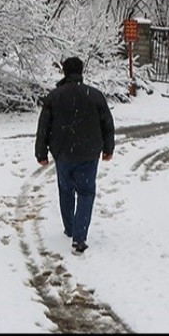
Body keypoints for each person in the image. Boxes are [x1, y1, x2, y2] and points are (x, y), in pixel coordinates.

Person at [34, 56, 115, 254]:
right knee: (86, 193)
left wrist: (41, 152)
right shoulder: (94, 95)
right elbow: (107, 124)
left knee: (66, 190)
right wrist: (108, 148)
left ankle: (70, 227)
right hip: (89, 153)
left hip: (63, 153)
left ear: (64, 71)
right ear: (81, 71)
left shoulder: (54, 96)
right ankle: (79, 237)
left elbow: (43, 126)